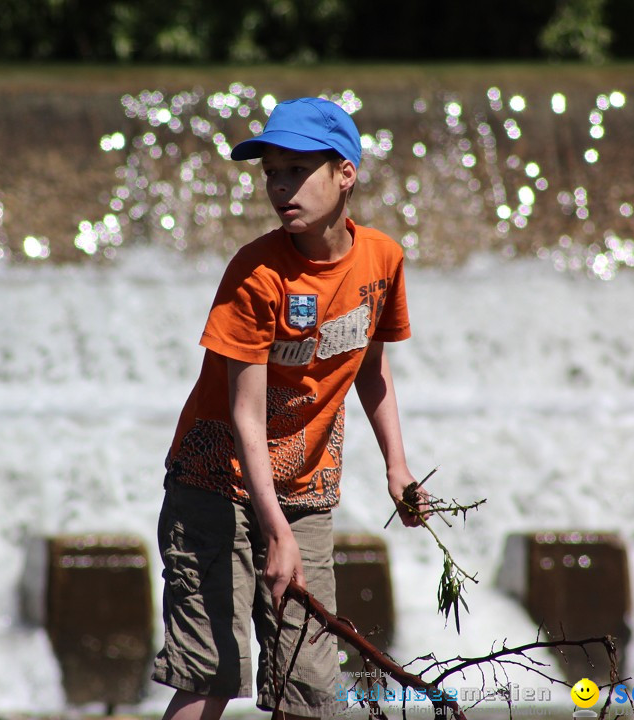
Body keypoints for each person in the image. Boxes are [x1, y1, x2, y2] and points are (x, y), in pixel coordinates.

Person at [153, 97, 424, 720]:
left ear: (345, 172)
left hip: (304, 492)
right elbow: (246, 415)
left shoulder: (382, 261)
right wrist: (273, 533)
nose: (280, 187)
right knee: (210, 673)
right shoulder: (256, 274)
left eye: (296, 170)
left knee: (310, 689)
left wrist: (397, 468)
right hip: (213, 486)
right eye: (272, 172)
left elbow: (372, 369)